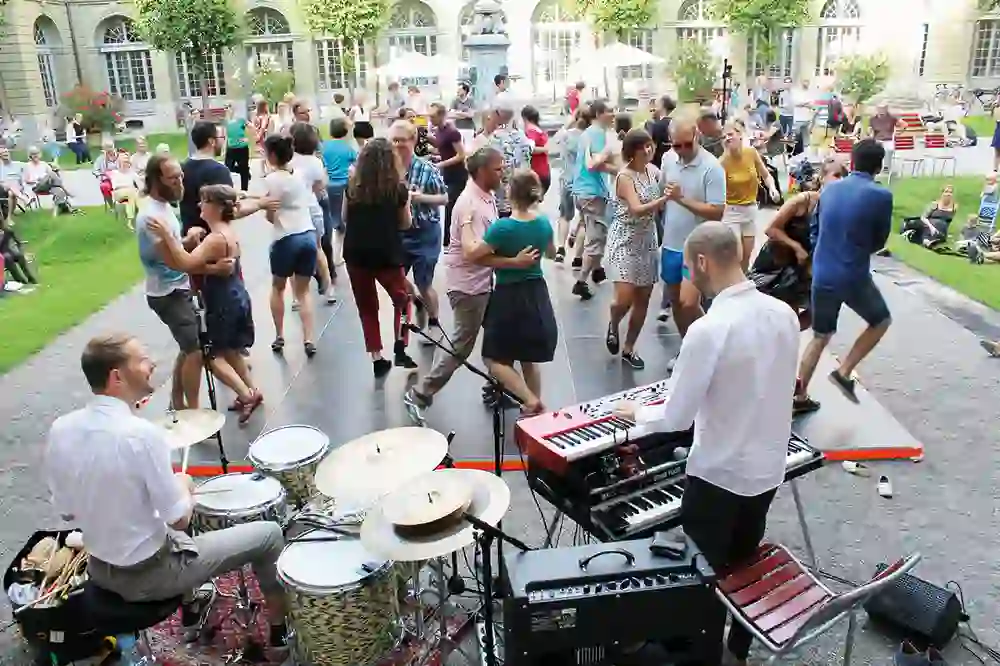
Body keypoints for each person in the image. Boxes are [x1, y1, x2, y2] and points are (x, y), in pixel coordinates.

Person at [614, 221, 799, 666]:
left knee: (701, 575)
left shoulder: (709, 328)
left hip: (719, 475)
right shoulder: (784, 314)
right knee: (741, 560)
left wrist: (635, 412)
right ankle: (737, 648)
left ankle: (698, 654)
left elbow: (676, 416)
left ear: (701, 262)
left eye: (688, 269)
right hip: (768, 469)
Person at [45, 334, 288, 646]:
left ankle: (192, 606)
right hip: (149, 575)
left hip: (101, 568)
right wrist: (184, 486)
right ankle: (282, 636)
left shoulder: (61, 429)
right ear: (116, 376)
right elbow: (179, 520)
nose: (152, 363)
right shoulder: (141, 435)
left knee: (161, 527)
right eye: (142, 359)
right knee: (268, 534)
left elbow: (67, 511)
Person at [404, 147, 539, 422]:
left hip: (483, 282)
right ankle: (420, 395)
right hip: (468, 286)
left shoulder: (486, 196)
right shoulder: (471, 205)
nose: (503, 174)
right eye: (498, 169)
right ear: (481, 172)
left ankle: (497, 388)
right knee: (462, 345)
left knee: (499, 339)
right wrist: (515, 262)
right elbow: (476, 253)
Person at [145, 185, 263, 422]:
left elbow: (184, 263)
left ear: (217, 207)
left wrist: (168, 237)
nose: (199, 205)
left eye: (204, 201)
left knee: (212, 356)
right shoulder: (227, 231)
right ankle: (253, 390)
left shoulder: (215, 239)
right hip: (236, 295)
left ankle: (245, 394)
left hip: (222, 302)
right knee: (230, 350)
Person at [795, 139, 893, 411]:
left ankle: (799, 396)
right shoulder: (881, 196)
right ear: (879, 166)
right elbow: (879, 239)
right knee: (881, 319)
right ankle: (844, 370)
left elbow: (816, 228)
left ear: (852, 162)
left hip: (823, 272)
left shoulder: (828, 191)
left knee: (820, 335)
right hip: (852, 274)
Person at [468, 171, 557, 414]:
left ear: (510, 193)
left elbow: (475, 256)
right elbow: (551, 253)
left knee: (493, 359)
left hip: (510, 295)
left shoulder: (503, 227)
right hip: (537, 292)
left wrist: (467, 225)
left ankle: (529, 399)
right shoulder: (543, 222)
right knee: (528, 357)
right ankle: (534, 411)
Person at [136, 155, 216, 411]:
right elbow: (174, 262)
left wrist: (186, 241)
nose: (180, 182)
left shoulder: (164, 207)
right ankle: (191, 412)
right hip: (167, 293)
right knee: (194, 350)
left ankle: (176, 403)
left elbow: (173, 248)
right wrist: (208, 265)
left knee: (188, 345)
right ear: (156, 180)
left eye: (181, 176)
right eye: (173, 178)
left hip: (178, 287)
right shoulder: (150, 217)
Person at [342, 138, 417, 376]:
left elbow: (344, 218)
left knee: (367, 307)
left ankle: (376, 357)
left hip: (356, 254)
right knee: (402, 300)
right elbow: (405, 223)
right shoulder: (398, 189)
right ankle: (400, 344)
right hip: (387, 254)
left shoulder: (352, 186)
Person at [752, 159, 847, 336]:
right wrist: (796, 247)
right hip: (779, 261)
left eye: (843, 176)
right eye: (836, 175)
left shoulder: (837, 208)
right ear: (823, 178)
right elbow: (771, 229)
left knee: (817, 312)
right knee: (786, 311)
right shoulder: (803, 201)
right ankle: (775, 342)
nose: (840, 180)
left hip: (806, 266)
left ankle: (780, 336)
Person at [658, 118, 725, 347]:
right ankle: (688, 349)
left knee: (689, 303)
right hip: (671, 243)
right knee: (676, 303)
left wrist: (681, 199)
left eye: (688, 144)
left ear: (697, 135)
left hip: (698, 246)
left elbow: (717, 211)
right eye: (677, 145)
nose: (683, 150)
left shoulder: (712, 167)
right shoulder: (668, 160)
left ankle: (715, 346)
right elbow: (660, 195)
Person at [605, 129, 666, 370]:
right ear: (633, 150)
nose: (649, 150)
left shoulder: (655, 172)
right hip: (625, 238)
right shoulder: (625, 176)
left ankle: (629, 348)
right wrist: (662, 201)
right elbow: (636, 209)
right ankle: (613, 319)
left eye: (651, 145)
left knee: (643, 298)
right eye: (644, 147)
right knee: (624, 297)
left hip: (647, 239)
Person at [261, 135, 321, 358]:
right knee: (303, 291)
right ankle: (308, 338)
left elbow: (270, 214)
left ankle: (279, 335)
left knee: (278, 287)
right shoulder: (300, 174)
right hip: (307, 234)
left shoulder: (272, 180)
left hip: (285, 237)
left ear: (272, 155)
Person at [390, 120, 448, 342]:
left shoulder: (426, 168)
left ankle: (434, 322)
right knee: (397, 279)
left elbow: (444, 198)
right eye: (393, 141)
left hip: (424, 232)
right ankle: (417, 302)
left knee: (424, 283)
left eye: (401, 141)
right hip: (398, 233)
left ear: (413, 141)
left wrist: (419, 198)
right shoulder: (387, 169)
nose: (396, 145)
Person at [720, 122, 780, 272]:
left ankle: (742, 285)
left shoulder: (751, 153)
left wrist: (772, 188)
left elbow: (766, 175)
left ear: (739, 135)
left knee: (746, 256)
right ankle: (731, 285)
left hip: (750, 209)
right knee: (737, 254)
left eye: (730, 134)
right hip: (731, 211)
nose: (727, 138)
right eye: (724, 137)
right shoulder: (722, 162)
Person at [571, 99, 617, 300]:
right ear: (599, 114)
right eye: (609, 111)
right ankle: (581, 280)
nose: (613, 114)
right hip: (592, 192)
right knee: (597, 237)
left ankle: (597, 271)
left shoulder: (587, 133)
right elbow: (596, 164)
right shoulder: (597, 134)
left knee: (593, 230)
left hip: (582, 191)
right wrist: (621, 170)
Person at [291, 122, 337, 306]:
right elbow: (320, 188)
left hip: (293, 210)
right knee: (318, 249)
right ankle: (328, 288)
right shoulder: (315, 162)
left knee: (293, 251)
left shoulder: (289, 160)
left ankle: (296, 296)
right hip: (312, 207)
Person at [473, 101, 532, 220]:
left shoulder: (493, 139)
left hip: (502, 200)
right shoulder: (523, 137)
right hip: (521, 195)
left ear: (496, 114)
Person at [552, 107, 592, 264]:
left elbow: (555, 140)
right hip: (584, 183)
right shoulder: (589, 138)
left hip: (566, 180)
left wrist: (568, 124)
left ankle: (560, 249)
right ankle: (577, 258)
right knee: (584, 220)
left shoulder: (566, 135)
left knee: (564, 216)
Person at [180, 121, 234, 235]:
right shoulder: (219, 171)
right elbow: (230, 210)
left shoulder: (183, 168)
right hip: (213, 239)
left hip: (189, 237)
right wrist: (260, 204)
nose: (223, 141)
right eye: (221, 137)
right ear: (212, 141)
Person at [429, 102, 468, 247]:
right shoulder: (439, 131)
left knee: (451, 207)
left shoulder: (452, 132)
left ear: (441, 115)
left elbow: (461, 155)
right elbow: (444, 150)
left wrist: (440, 164)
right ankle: (450, 241)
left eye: (433, 116)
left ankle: (450, 242)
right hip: (448, 174)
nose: (430, 119)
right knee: (450, 207)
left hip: (458, 175)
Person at [321, 118, 358, 272]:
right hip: (344, 185)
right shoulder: (348, 148)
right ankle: (339, 255)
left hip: (327, 185)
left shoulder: (324, 146)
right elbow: (356, 162)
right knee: (344, 219)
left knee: (329, 218)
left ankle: (328, 254)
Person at [900, 184, 957, 249]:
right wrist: (931, 227)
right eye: (946, 192)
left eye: (950, 192)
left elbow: (948, 222)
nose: (948, 194)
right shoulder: (935, 204)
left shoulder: (954, 207)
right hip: (928, 223)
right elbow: (923, 217)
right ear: (942, 193)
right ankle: (926, 241)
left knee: (938, 231)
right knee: (928, 227)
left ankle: (926, 240)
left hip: (941, 229)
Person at [521, 105, 552, 195]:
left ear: (524, 118)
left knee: (531, 203)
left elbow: (529, 149)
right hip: (544, 171)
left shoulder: (531, 130)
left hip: (536, 173)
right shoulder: (539, 129)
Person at [224, 105, 252, 191]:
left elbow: (251, 127)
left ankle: (244, 190)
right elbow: (226, 135)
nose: (227, 109)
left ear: (233, 109)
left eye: (229, 107)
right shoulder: (226, 121)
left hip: (242, 148)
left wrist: (248, 138)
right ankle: (245, 172)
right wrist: (224, 148)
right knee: (228, 167)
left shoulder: (240, 119)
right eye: (226, 108)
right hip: (231, 148)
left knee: (243, 167)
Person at [868, 103, 905, 168]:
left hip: (889, 139)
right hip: (878, 140)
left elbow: (904, 124)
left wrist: (899, 132)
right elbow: (870, 130)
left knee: (889, 150)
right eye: (879, 109)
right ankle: (878, 168)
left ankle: (887, 167)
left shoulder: (891, 118)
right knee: (876, 152)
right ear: (877, 109)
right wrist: (870, 135)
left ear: (886, 109)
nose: (881, 110)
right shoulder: (873, 119)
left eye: (883, 109)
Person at [109, 154, 141, 228]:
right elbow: (115, 187)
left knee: (135, 196)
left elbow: (140, 185)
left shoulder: (132, 173)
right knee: (132, 193)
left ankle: (131, 221)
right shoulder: (115, 173)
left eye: (127, 162)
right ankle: (134, 219)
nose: (125, 164)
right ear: (119, 163)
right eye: (124, 162)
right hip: (118, 193)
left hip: (131, 193)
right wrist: (129, 188)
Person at [648, 95, 677, 171]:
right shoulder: (676, 123)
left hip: (659, 164)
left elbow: (653, 147)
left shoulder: (657, 126)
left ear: (662, 106)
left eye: (657, 105)